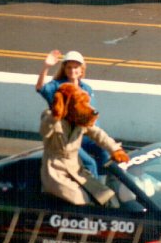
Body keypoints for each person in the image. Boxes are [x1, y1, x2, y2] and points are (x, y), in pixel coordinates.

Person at [40, 83, 129, 205]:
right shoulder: (51, 119)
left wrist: (114, 149)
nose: (88, 108)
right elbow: (45, 130)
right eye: (80, 103)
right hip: (55, 172)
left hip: (76, 169)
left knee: (105, 195)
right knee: (80, 200)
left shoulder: (80, 122)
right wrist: (56, 114)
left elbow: (99, 135)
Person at [36, 50, 108, 180]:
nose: (72, 70)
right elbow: (40, 88)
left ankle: (105, 183)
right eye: (69, 67)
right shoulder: (58, 86)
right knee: (90, 164)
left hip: (84, 135)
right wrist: (46, 66)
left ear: (81, 70)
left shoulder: (86, 88)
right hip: (67, 137)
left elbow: (90, 115)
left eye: (76, 67)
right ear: (64, 69)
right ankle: (97, 194)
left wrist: (99, 138)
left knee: (104, 153)